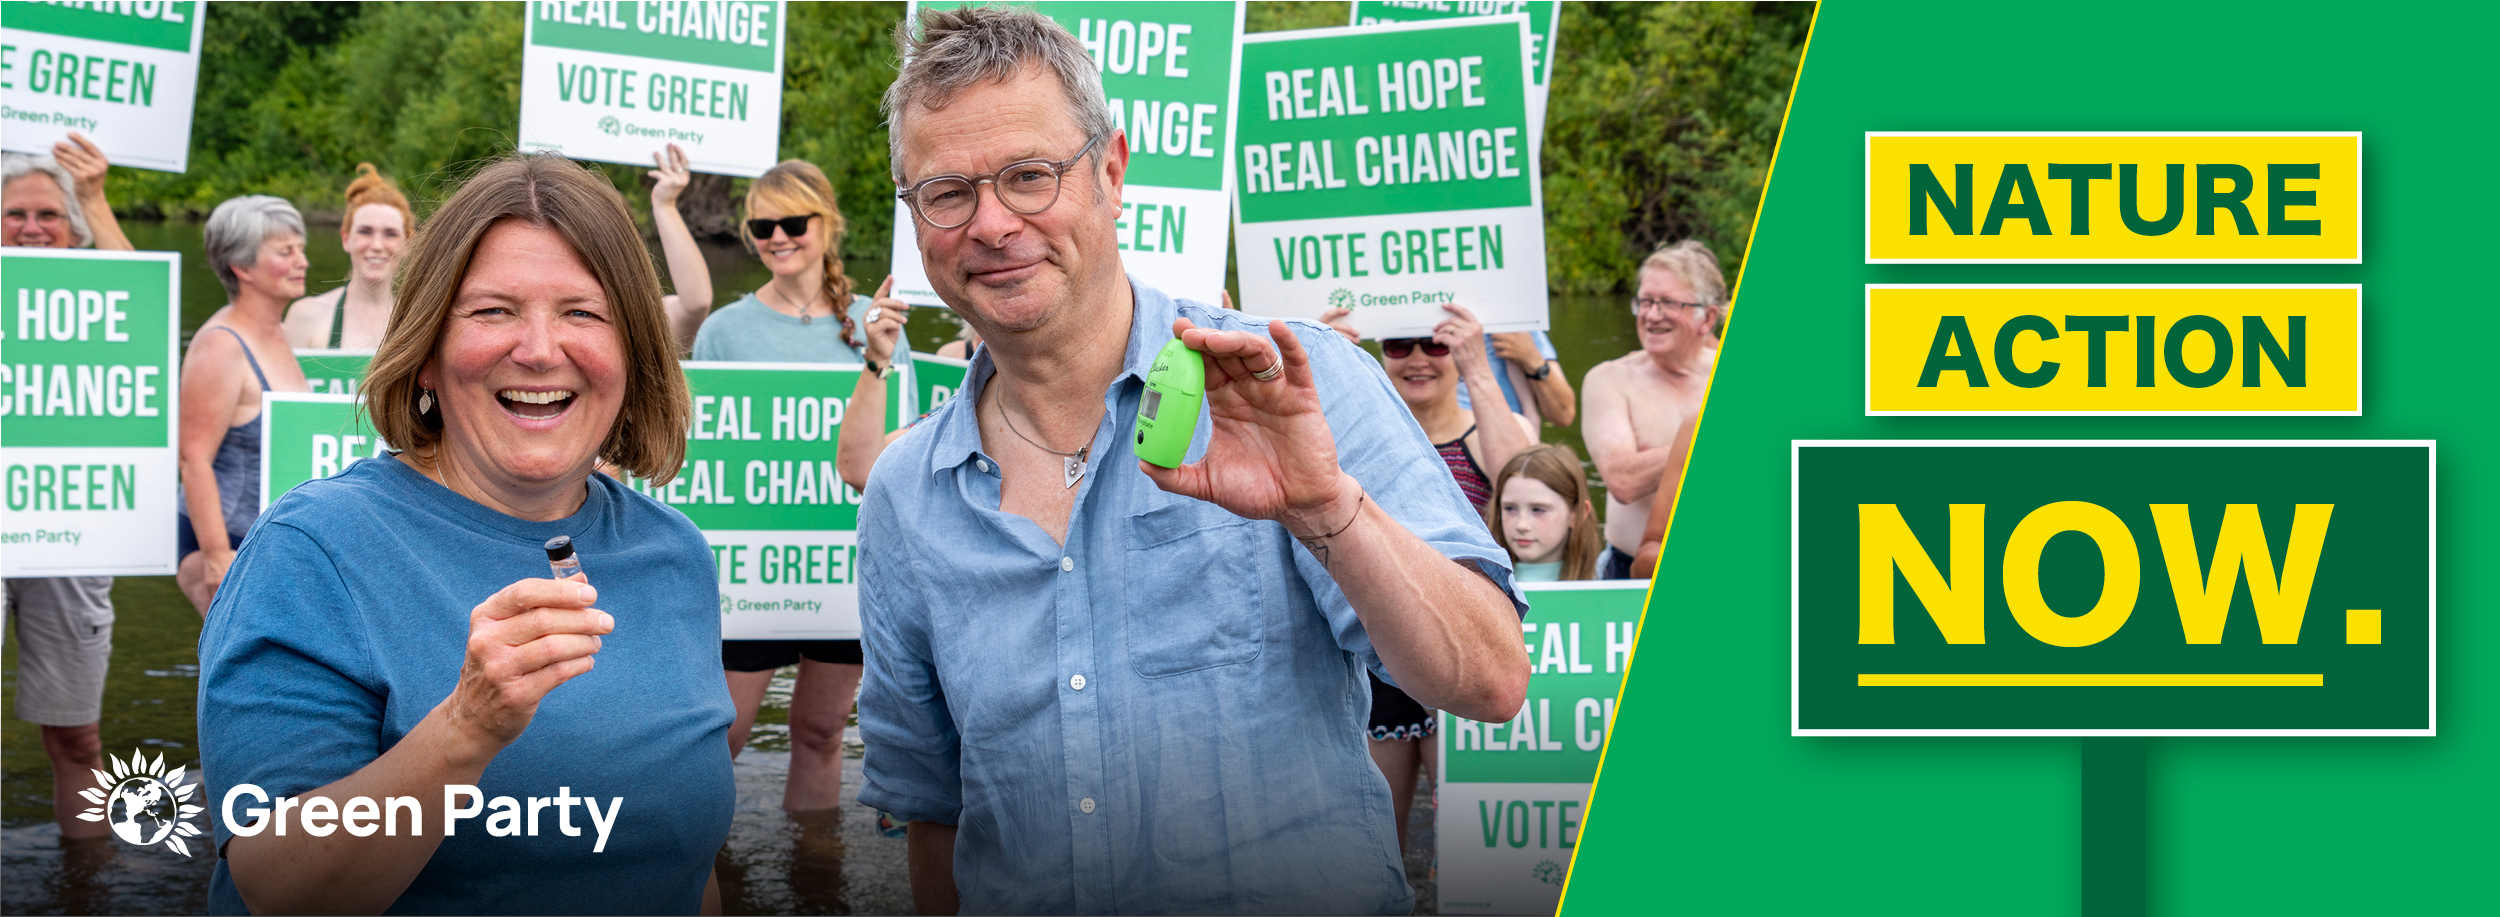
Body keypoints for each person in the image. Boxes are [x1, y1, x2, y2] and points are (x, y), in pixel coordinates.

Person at [854, 9, 1531, 915]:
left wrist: (1326, 508)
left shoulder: (1296, 379)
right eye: (947, 193)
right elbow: (934, 816)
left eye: (1029, 176)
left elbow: (1490, 681)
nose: (992, 223)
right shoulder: (906, 496)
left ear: (1111, 170)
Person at [196, 154, 731, 915]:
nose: (541, 349)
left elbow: (688, 867)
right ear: (425, 357)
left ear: (634, 353)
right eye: (493, 311)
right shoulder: (312, 550)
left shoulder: (676, 553)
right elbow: (279, 888)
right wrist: (465, 727)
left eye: (583, 311)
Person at [653, 151, 880, 812]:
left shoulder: (875, 322)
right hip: (749, 568)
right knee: (720, 736)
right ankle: (695, 866)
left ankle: (815, 876)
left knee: (820, 731)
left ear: (828, 223)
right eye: (761, 227)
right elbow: (700, 447)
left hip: (841, 564)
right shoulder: (723, 331)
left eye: (793, 222)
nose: (778, 237)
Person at [2, 141, 132, 847]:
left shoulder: (93, 291)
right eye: (14, 214)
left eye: (47, 214)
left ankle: (86, 890)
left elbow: (141, 302)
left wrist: (93, 196)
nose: (30, 226)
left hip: (69, 525)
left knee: (79, 739)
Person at [177, 196, 314, 615]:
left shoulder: (279, 332)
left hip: (269, 543)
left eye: (301, 249)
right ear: (243, 267)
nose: (302, 261)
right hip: (226, 547)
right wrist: (217, 556)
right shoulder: (221, 345)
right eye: (285, 252)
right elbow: (193, 459)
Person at [1582, 239, 1723, 579]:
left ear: (1708, 318)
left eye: (1669, 303)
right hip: (1630, 569)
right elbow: (1623, 479)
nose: (1652, 315)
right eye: (1646, 301)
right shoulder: (1610, 379)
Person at [1317, 310, 1576, 428]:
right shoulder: (1390, 309)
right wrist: (1319, 349)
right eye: (1398, 346)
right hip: (1414, 437)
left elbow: (1564, 415)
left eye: (1438, 346)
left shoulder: (1507, 316)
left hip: (1498, 442)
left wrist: (1532, 359)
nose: (1419, 358)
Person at [281, 163, 413, 350]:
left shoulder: (419, 323)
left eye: (390, 234)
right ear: (346, 239)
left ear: (407, 244)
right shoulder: (306, 316)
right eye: (365, 232)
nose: (376, 245)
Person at [1488, 444, 1606, 582]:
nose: (1522, 525)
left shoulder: (1604, 588)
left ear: (1576, 514)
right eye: (1510, 508)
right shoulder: (1478, 582)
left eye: (1538, 510)